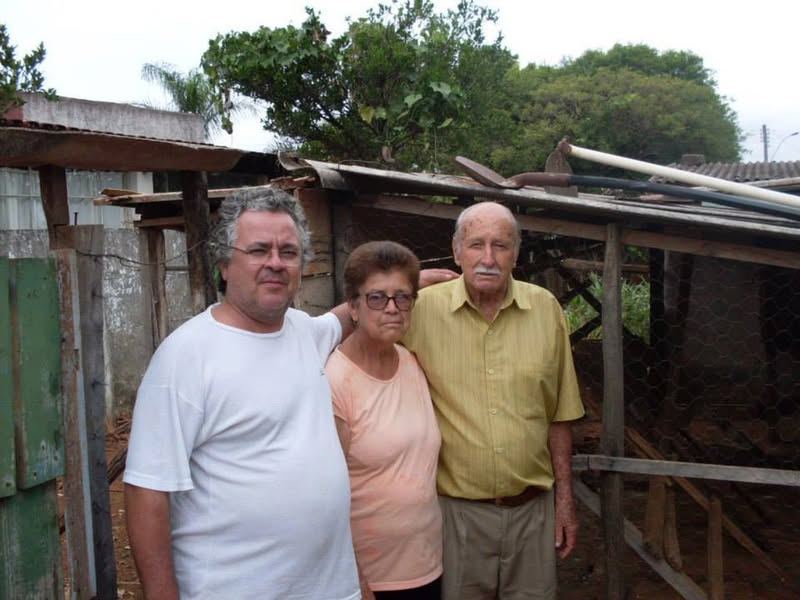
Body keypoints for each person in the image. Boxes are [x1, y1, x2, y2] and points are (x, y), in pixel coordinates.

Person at [123, 188, 360, 600]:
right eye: (258, 250)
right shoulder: (186, 356)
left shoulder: (304, 332)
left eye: (288, 251)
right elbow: (147, 492)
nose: (275, 263)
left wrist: (412, 284)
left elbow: (345, 318)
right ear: (224, 264)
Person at [403, 201, 585, 600]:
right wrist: (402, 284)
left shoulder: (545, 309)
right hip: (456, 516)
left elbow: (561, 415)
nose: (488, 258)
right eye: (476, 245)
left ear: (516, 254)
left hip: (534, 513)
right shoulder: (421, 310)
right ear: (456, 251)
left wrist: (565, 502)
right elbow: (363, 345)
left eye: (501, 246)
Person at [325, 241, 442, 600]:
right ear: (354, 308)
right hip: (371, 579)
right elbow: (326, 496)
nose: (392, 308)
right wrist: (356, 580)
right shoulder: (334, 381)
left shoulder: (411, 363)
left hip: (428, 565)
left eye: (403, 297)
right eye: (377, 298)